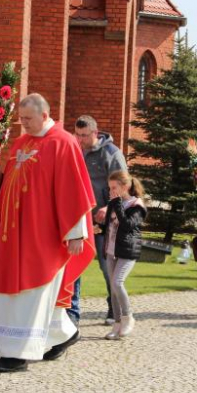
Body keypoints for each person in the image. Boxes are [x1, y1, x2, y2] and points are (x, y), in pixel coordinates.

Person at [0, 94, 96, 373]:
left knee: (32, 292)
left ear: (45, 115)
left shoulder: (63, 143)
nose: (23, 123)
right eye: (21, 118)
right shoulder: (21, 143)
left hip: (42, 235)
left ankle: (17, 353)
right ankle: (62, 333)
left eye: (28, 119)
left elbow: (72, 189)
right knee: (29, 294)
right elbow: (15, 181)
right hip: (14, 233)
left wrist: (75, 233)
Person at [72, 115, 127, 326]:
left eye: (84, 136)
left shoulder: (111, 153)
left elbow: (123, 186)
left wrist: (108, 206)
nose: (80, 139)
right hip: (80, 218)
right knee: (74, 263)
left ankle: (115, 308)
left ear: (95, 133)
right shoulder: (75, 151)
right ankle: (70, 309)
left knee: (107, 267)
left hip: (105, 221)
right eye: (77, 134)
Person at [99, 171, 147, 339]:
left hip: (127, 251)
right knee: (113, 288)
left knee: (117, 282)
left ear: (125, 186)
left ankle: (128, 317)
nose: (111, 191)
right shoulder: (114, 203)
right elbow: (109, 226)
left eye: (114, 187)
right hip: (111, 250)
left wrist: (117, 202)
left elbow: (126, 225)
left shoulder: (137, 206)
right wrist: (97, 227)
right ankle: (117, 325)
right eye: (110, 187)